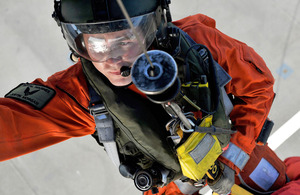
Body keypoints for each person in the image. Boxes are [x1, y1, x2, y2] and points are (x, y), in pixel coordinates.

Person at [1, 0, 299, 194]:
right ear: (76, 41)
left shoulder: (200, 45)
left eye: (126, 38)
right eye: (96, 45)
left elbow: (258, 86)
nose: (114, 60)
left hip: (252, 175)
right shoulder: (80, 95)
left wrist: (232, 146)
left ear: (154, 25)